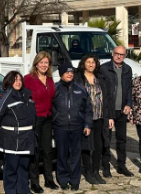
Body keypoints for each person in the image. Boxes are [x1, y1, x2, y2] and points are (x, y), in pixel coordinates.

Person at [52, 60, 93, 191]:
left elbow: (88, 109)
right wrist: (54, 121)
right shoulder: (55, 88)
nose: (70, 74)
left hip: (77, 127)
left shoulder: (81, 89)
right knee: (62, 155)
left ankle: (75, 181)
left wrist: (87, 124)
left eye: (71, 72)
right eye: (67, 72)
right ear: (61, 74)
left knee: (76, 155)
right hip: (60, 127)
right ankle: (63, 179)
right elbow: (49, 108)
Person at [75, 54, 115, 185]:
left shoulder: (101, 79)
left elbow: (108, 99)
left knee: (99, 145)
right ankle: (88, 172)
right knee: (86, 146)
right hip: (84, 118)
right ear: (83, 64)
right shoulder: (78, 79)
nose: (91, 64)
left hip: (100, 117)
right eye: (88, 62)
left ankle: (95, 171)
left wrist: (109, 117)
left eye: (93, 62)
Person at [0, 71, 36, 194]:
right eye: (14, 80)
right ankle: (11, 191)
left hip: (27, 138)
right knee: (11, 169)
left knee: (23, 168)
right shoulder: (5, 97)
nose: (18, 82)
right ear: (9, 82)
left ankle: (23, 190)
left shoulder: (26, 95)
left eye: (19, 79)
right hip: (12, 140)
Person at [24, 51, 57, 193]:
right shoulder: (28, 79)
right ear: (36, 64)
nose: (44, 65)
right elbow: (23, 98)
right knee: (35, 151)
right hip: (35, 119)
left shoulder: (49, 79)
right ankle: (34, 182)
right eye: (41, 62)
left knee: (48, 150)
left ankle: (49, 179)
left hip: (48, 118)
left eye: (46, 62)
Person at [100, 45, 135, 177]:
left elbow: (129, 89)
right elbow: (102, 92)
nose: (119, 56)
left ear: (125, 56)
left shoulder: (127, 69)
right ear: (112, 54)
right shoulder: (104, 69)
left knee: (122, 140)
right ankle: (106, 167)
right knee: (106, 140)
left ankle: (121, 166)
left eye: (122, 54)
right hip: (108, 110)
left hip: (122, 111)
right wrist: (106, 112)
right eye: (117, 54)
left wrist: (129, 104)